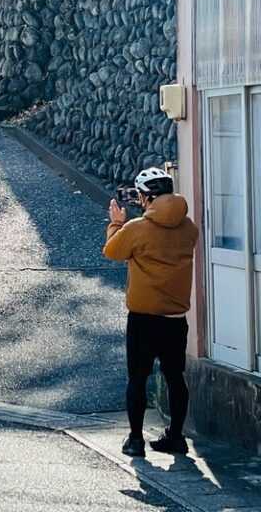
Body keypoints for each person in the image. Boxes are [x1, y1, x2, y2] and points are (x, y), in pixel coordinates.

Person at [104, 167, 198, 458]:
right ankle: (177, 437)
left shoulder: (137, 228)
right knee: (175, 377)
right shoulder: (189, 228)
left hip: (143, 318)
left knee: (138, 378)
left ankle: (135, 440)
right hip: (175, 318)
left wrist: (117, 224)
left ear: (145, 197)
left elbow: (112, 252)